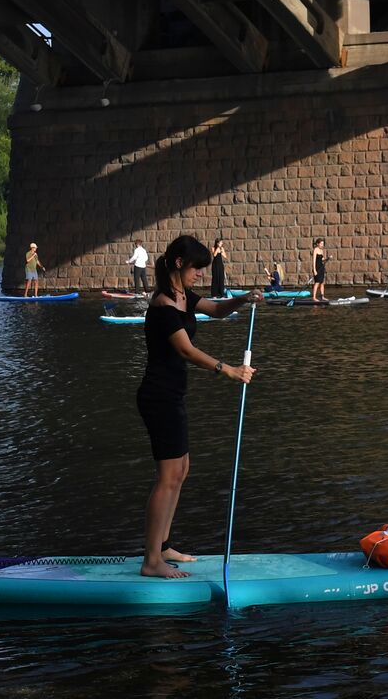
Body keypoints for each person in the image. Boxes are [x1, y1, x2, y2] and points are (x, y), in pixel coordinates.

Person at [136, 235, 260, 578]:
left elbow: (218, 311)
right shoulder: (162, 305)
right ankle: (151, 561)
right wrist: (229, 370)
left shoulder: (183, 297)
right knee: (167, 476)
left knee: (182, 469)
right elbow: (187, 350)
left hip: (172, 395)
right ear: (179, 263)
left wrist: (242, 300)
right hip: (157, 397)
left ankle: (162, 547)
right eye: (196, 269)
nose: (200, 275)